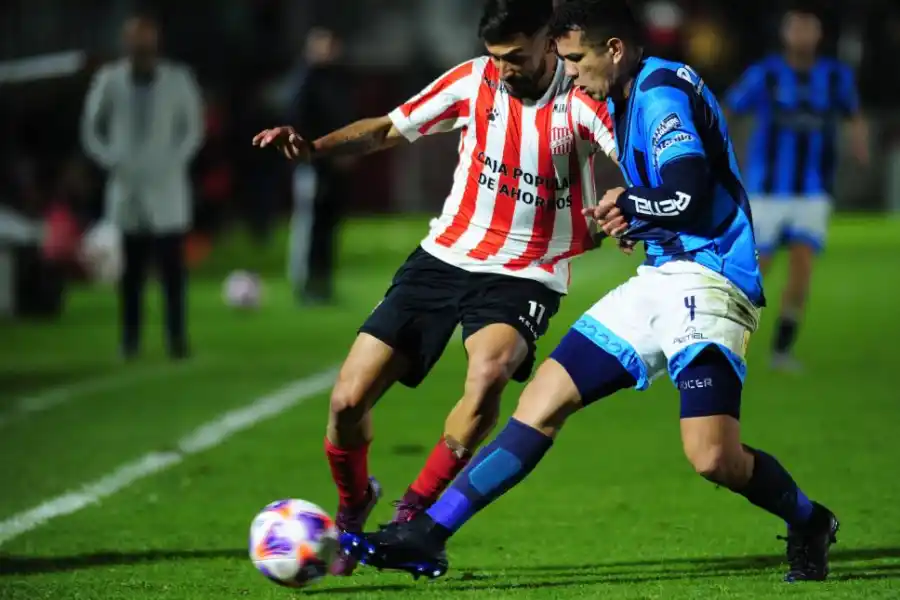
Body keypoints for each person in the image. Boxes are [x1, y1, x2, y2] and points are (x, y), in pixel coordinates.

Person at [345, 0, 839, 584]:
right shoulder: (626, 94)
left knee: (713, 457)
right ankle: (427, 535)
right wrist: (634, 214)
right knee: (542, 400)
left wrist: (632, 204)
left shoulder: (657, 96)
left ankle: (810, 521)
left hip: (710, 283)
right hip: (660, 277)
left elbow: (690, 195)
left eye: (576, 59)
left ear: (614, 50)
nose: (569, 71)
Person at [252, 0, 616, 576]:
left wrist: (627, 202)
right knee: (347, 400)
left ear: (549, 42)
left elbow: (633, 157)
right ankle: (352, 508)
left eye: (516, 57)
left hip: (526, 269)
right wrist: (314, 147)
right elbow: (385, 131)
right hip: (444, 256)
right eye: (496, 57)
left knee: (489, 373)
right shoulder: (473, 81)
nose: (504, 69)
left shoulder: (583, 101)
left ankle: (413, 514)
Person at [724, 4, 869, 371]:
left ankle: (781, 351)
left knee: (802, 269)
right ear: (785, 34)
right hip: (767, 190)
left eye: (809, 29)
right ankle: (725, 340)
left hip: (813, 190)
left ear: (818, 35)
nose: (802, 36)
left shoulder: (835, 76)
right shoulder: (766, 74)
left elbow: (853, 114)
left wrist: (858, 143)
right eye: (796, 29)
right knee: (758, 268)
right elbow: (731, 109)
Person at [81, 13, 204, 360]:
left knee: (172, 272)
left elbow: (192, 129)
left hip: (167, 188)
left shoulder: (178, 79)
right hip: (126, 186)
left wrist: (171, 162)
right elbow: (92, 129)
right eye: (136, 41)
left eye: (146, 41)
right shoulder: (109, 80)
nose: (142, 48)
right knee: (131, 272)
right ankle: (130, 339)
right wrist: (112, 160)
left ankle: (177, 337)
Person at [286, 28, 356, 305]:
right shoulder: (304, 81)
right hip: (313, 165)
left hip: (336, 168)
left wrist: (349, 151)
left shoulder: (340, 82)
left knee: (329, 226)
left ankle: (323, 282)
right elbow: (297, 122)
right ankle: (304, 284)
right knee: (309, 224)